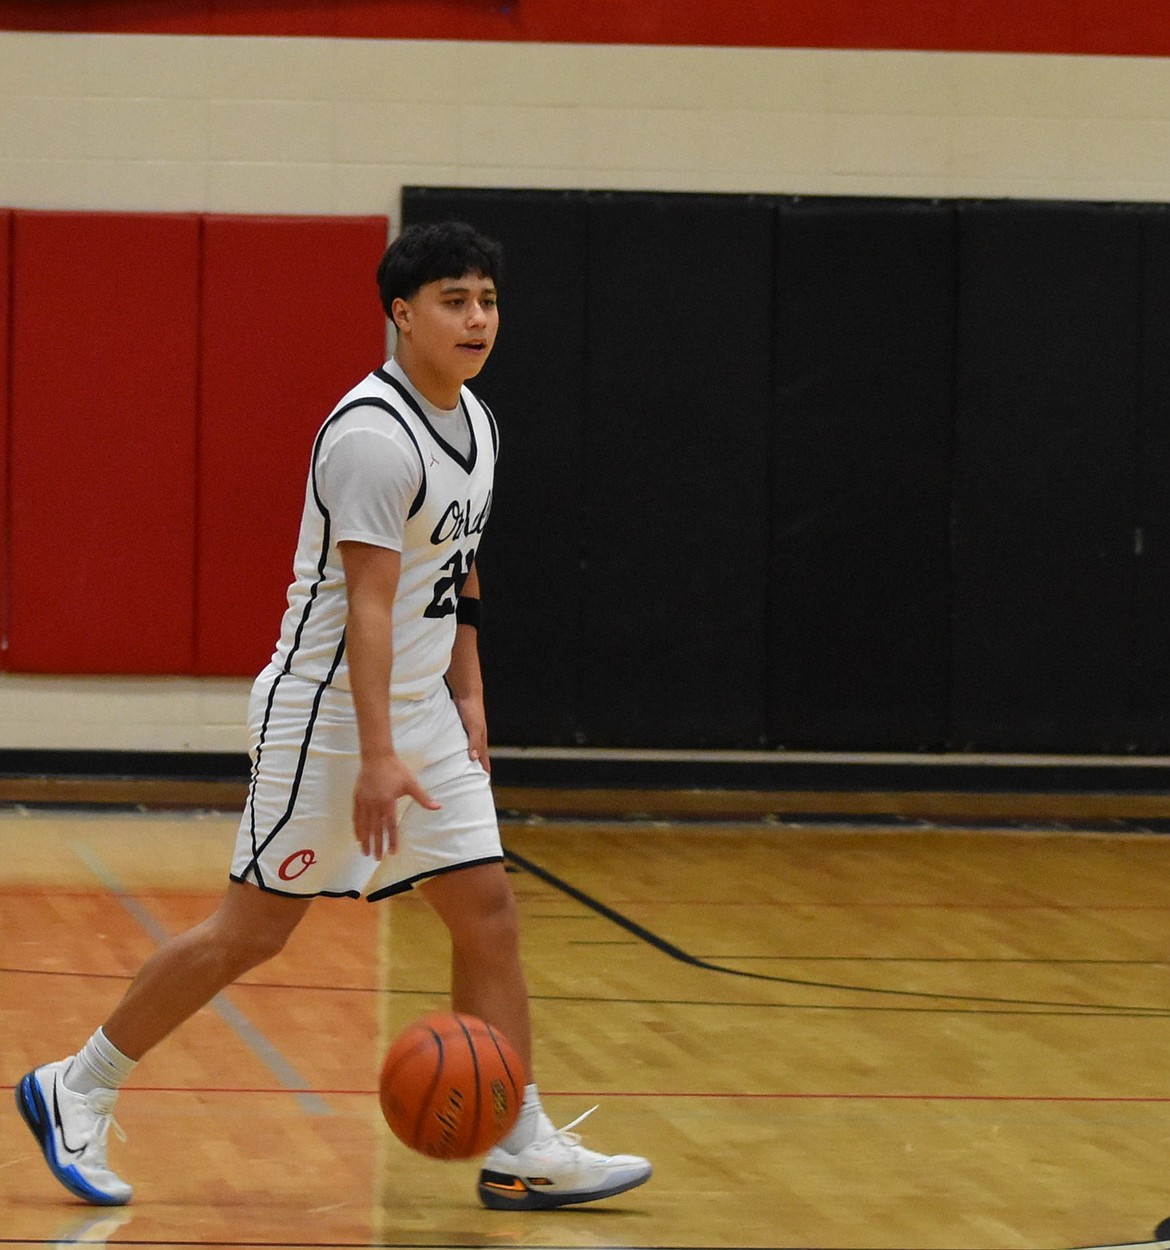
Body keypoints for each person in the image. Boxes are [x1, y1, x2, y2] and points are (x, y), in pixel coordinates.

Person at [16, 220, 652, 1213]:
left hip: (420, 709)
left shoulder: (476, 422)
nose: (477, 317)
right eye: (454, 299)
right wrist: (378, 754)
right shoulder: (371, 435)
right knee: (252, 931)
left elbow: (459, 562)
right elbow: (367, 602)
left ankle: (519, 1139)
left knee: (488, 911)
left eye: (486, 298)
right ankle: (77, 1083)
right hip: (327, 721)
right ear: (403, 313)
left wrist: (469, 693)